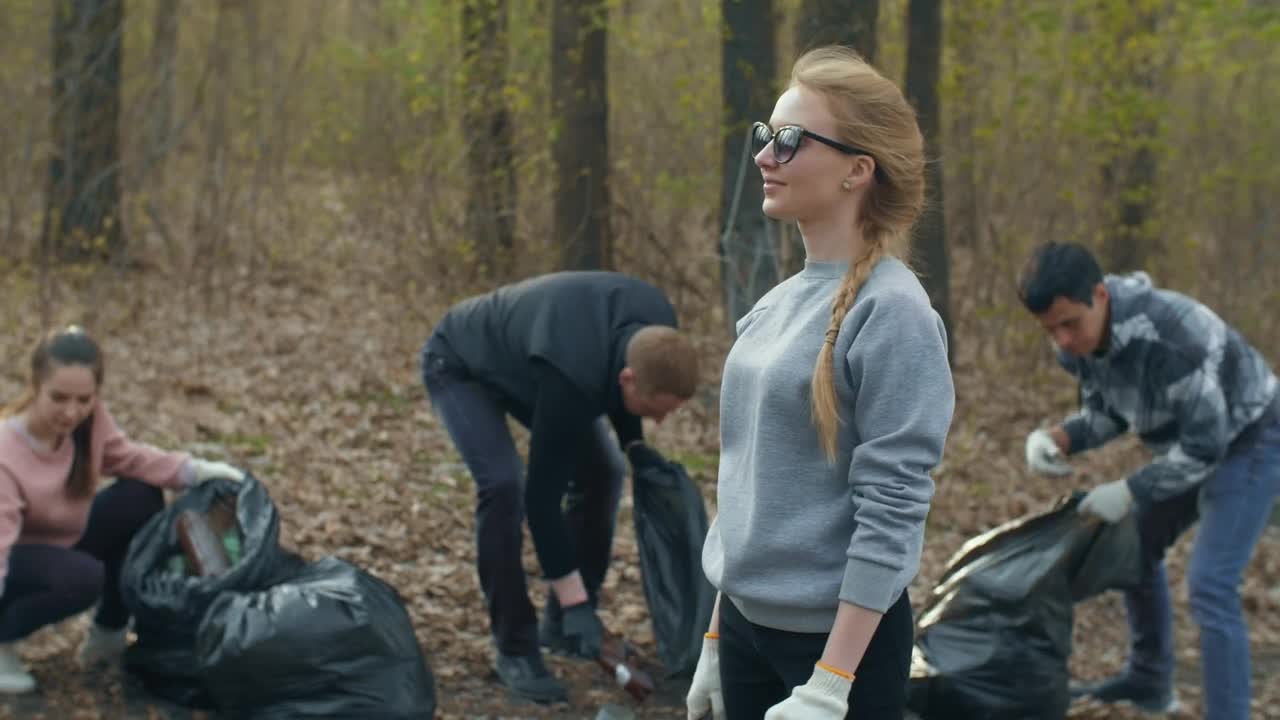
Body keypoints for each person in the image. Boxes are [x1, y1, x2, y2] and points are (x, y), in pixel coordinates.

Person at [689, 46, 955, 720]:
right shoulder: (777, 305)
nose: (764, 156)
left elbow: (893, 504)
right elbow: (752, 480)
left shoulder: (893, 313)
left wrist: (832, 681)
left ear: (857, 171)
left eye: (789, 140)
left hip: (839, 651)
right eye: (765, 135)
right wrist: (718, 638)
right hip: (746, 632)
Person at [1018, 241, 1280, 720]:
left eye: (1069, 324)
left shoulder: (1171, 336)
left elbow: (1206, 448)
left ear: (1099, 295)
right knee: (1130, 546)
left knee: (1210, 584)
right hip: (1189, 441)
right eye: (1050, 329)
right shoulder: (1077, 342)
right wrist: (1058, 438)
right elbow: (1112, 411)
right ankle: (1150, 681)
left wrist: (1131, 490)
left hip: (1251, 439)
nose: (1062, 342)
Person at [419, 271, 700, 704]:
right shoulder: (572, 376)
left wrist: (635, 446)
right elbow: (542, 500)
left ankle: (561, 627)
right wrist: (578, 604)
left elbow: (620, 384)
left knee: (606, 473)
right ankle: (516, 647)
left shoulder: (656, 326)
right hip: (460, 362)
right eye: (653, 411)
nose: (660, 421)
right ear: (629, 380)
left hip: (535, 356)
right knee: (504, 486)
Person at [0, 326, 246, 694]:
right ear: (35, 384)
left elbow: (129, 458)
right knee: (83, 577)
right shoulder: (6, 452)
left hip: (63, 542)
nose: (72, 412)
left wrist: (196, 470)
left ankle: (109, 631)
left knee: (140, 494)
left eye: (84, 399)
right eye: (59, 397)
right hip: (15, 558)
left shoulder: (88, 422)